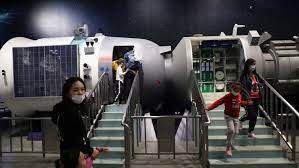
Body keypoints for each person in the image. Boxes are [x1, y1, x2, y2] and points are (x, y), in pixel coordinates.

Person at [51, 77, 107, 168]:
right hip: (75, 158)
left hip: (70, 156)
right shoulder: (69, 112)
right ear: (67, 92)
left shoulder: (71, 109)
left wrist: (93, 150)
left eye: (82, 89)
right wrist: (90, 151)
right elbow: (74, 139)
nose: (80, 92)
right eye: (75, 90)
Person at [206, 83, 252, 157]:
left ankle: (230, 143)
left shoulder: (239, 95)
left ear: (240, 91)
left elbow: (239, 103)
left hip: (236, 117)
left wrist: (246, 103)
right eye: (235, 90)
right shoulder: (228, 96)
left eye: (238, 90)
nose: (236, 92)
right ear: (232, 89)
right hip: (229, 116)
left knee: (236, 132)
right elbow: (218, 102)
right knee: (231, 130)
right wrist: (210, 108)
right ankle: (228, 148)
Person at [239, 58, 263, 138]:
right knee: (251, 115)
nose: (253, 66)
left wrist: (260, 85)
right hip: (248, 99)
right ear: (247, 65)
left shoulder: (256, 75)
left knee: (254, 116)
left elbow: (260, 83)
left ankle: (250, 131)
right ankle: (241, 120)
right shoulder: (244, 76)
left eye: (254, 64)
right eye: (252, 64)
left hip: (257, 98)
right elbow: (243, 88)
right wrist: (247, 98)